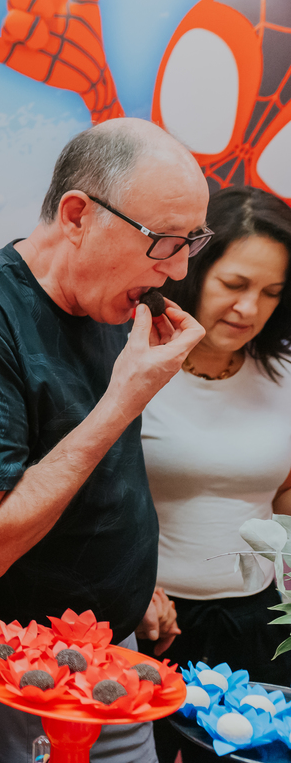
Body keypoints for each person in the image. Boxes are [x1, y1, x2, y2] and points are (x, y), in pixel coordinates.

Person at [0, 118, 212, 763]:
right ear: (77, 214)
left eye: (191, 242)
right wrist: (126, 396)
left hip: (111, 650)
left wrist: (132, 585)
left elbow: (100, 474)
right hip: (5, 668)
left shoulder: (109, 298)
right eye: (163, 242)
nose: (178, 268)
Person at [139, 185, 291, 763]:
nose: (249, 308)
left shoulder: (282, 376)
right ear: (193, 270)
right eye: (235, 285)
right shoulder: (137, 362)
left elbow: (274, 493)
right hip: (156, 620)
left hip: (257, 618)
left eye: (271, 293)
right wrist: (134, 590)